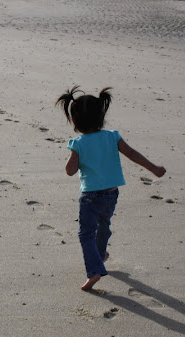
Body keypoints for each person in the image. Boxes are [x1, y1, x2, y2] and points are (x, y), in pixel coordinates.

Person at [56, 86, 166, 291]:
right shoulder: (112, 137)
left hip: (90, 196)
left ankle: (94, 270)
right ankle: (101, 254)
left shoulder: (78, 143)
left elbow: (70, 171)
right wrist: (154, 168)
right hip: (111, 194)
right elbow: (132, 154)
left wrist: (75, 156)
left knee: (86, 234)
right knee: (103, 225)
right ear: (101, 116)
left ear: (75, 121)